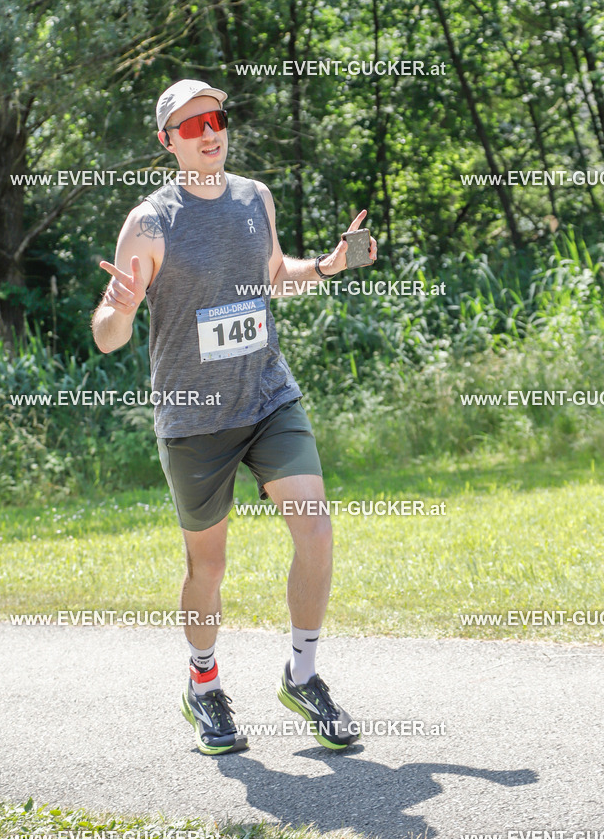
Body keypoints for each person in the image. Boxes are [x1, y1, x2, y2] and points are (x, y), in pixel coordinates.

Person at [91, 79, 378, 755]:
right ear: (168, 143)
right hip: (195, 418)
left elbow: (273, 273)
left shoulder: (255, 197)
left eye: (215, 118)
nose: (210, 132)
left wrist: (328, 265)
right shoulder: (151, 221)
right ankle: (204, 685)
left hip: (267, 395)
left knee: (315, 527)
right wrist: (123, 309)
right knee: (208, 567)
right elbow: (107, 331)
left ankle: (303, 675)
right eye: (191, 127)